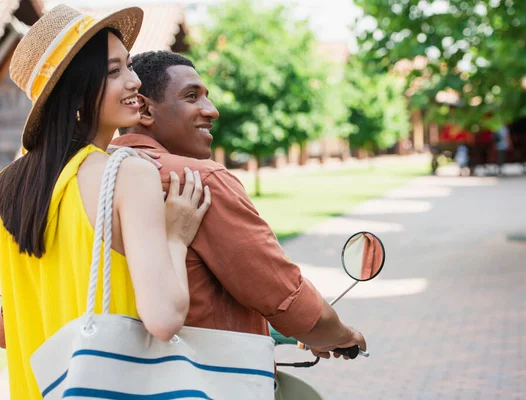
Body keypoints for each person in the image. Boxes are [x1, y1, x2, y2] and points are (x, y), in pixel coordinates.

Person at [0, 6, 211, 399]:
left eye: (128, 65)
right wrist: (176, 238)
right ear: (76, 89)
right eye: (114, 72)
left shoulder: (8, 187)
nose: (134, 81)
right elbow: (163, 319)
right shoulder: (128, 176)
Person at [112, 51, 367, 358]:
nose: (212, 110)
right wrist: (340, 334)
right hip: (208, 376)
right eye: (192, 96)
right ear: (144, 109)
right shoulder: (199, 181)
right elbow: (281, 293)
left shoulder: (95, 173)